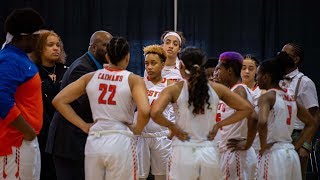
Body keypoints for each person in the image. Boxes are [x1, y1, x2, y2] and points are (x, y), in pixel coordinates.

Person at [52, 36, 150, 180]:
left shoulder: (91, 76)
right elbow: (145, 111)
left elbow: (58, 101)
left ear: (107, 56)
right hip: (119, 138)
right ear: (127, 56)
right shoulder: (134, 79)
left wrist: (84, 126)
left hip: (95, 140)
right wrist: (137, 129)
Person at [150, 47, 254, 180]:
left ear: (181, 65)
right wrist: (219, 125)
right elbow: (247, 109)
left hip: (183, 150)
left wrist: (172, 126)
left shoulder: (174, 89)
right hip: (208, 152)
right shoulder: (217, 88)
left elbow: (154, 113)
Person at [46, 30, 112, 180]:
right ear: (93, 47)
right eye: (106, 45)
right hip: (69, 142)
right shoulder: (82, 68)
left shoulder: (95, 66)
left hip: (76, 140)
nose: (110, 49)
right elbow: (88, 106)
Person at [256, 52, 316, 180]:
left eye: (258, 75)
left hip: (273, 153)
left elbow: (261, 122)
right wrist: (296, 146)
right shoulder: (291, 97)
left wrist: (263, 146)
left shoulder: (267, 97)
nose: (256, 79)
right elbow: (312, 123)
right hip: (290, 153)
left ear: (266, 77)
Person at [0, 8, 44, 179]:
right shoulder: (10, 59)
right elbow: (2, 98)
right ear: (26, 37)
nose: (39, 40)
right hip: (15, 143)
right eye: (37, 36)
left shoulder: (18, 57)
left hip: (23, 142)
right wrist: (27, 131)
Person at [215, 51, 258, 180]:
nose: (217, 73)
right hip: (231, 154)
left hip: (236, 154)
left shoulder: (239, 90)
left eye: (220, 69)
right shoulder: (231, 91)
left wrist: (248, 143)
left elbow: (254, 117)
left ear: (229, 71)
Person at [279, 43, 319, 180]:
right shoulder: (276, 79)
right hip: (279, 136)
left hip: (297, 136)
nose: (280, 56)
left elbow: (315, 116)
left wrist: (306, 145)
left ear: (295, 59)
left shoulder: (305, 82)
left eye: (285, 54)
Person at [32, 30, 68, 180]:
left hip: (63, 136)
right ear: (39, 48)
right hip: (40, 135)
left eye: (58, 45)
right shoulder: (32, 72)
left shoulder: (67, 71)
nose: (56, 48)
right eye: (50, 45)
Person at [136, 45, 173, 180]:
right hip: (141, 136)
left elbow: (175, 112)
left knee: (162, 177)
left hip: (161, 136)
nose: (149, 67)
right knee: (139, 177)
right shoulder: (138, 83)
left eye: (153, 63)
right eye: (146, 63)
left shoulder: (169, 85)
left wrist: (171, 131)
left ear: (163, 64)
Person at [240, 54, 263, 153]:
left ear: (257, 71)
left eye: (251, 68)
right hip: (238, 139)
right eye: (243, 68)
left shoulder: (262, 91)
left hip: (257, 142)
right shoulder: (234, 89)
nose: (247, 71)